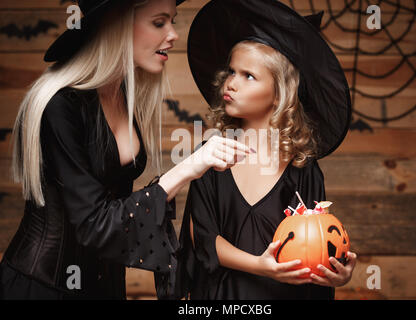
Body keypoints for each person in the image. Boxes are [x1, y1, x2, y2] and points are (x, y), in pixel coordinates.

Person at [0, 0, 252, 300]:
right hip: (43, 289)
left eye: (172, 21)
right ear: (115, 26)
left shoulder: (121, 95)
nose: (173, 34)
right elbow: (94, 225)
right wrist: (189, 166)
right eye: (159, 22)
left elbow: (120, 209)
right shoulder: (59, 106)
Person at [175, 0, 357, 300]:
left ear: (278, 94)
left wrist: (335, 270)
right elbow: (203, 238)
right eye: (231, 71)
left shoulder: (303, 166)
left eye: (248, 76)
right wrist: (261, 266)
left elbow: (315, 242)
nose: (230, 83)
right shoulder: (212, 153)